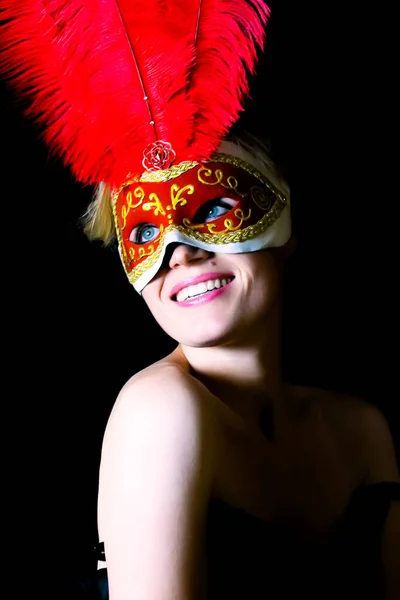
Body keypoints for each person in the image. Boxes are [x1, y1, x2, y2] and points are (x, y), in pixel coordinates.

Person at [1, 2, 398, 599]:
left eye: (212, 209)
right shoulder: (161, 412)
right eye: (143, 233)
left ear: (286, 221)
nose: (178, 253)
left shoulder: (361, 431)